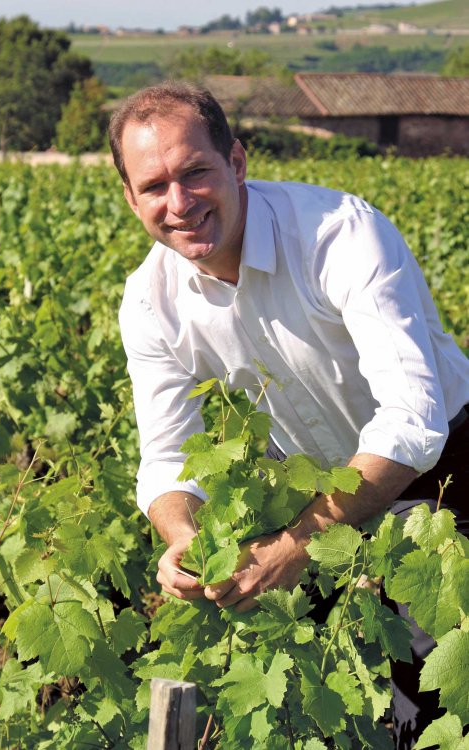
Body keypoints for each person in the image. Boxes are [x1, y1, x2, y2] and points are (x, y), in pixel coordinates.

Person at [110, 81, 468, 748]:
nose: (179, 203)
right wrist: (182, 534)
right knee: (340, 701)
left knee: (442, 699)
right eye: (155, 186)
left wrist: (297, 543)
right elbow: (165, 458)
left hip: (445, 473)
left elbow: (413, 420)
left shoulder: (340, 235)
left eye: (195, 173)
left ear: (237, 163)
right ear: (131, 198)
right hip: (318, 493)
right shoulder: (148, 301)